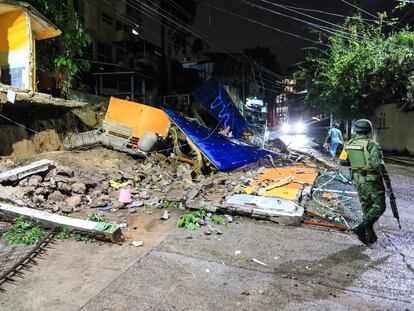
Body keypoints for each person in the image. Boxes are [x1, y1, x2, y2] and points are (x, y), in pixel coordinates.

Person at [345, 119, 391, 245]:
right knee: (379, 206)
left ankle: (370, 235)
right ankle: (360, 228)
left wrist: (356, 163)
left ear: (356, 130)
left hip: (357, 179)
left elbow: (342, 161)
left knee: (366, 206)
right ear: (369, 130)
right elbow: (378, 164)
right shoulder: (372, 144)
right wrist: (386, 179)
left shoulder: (350, 143)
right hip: (372, 179)